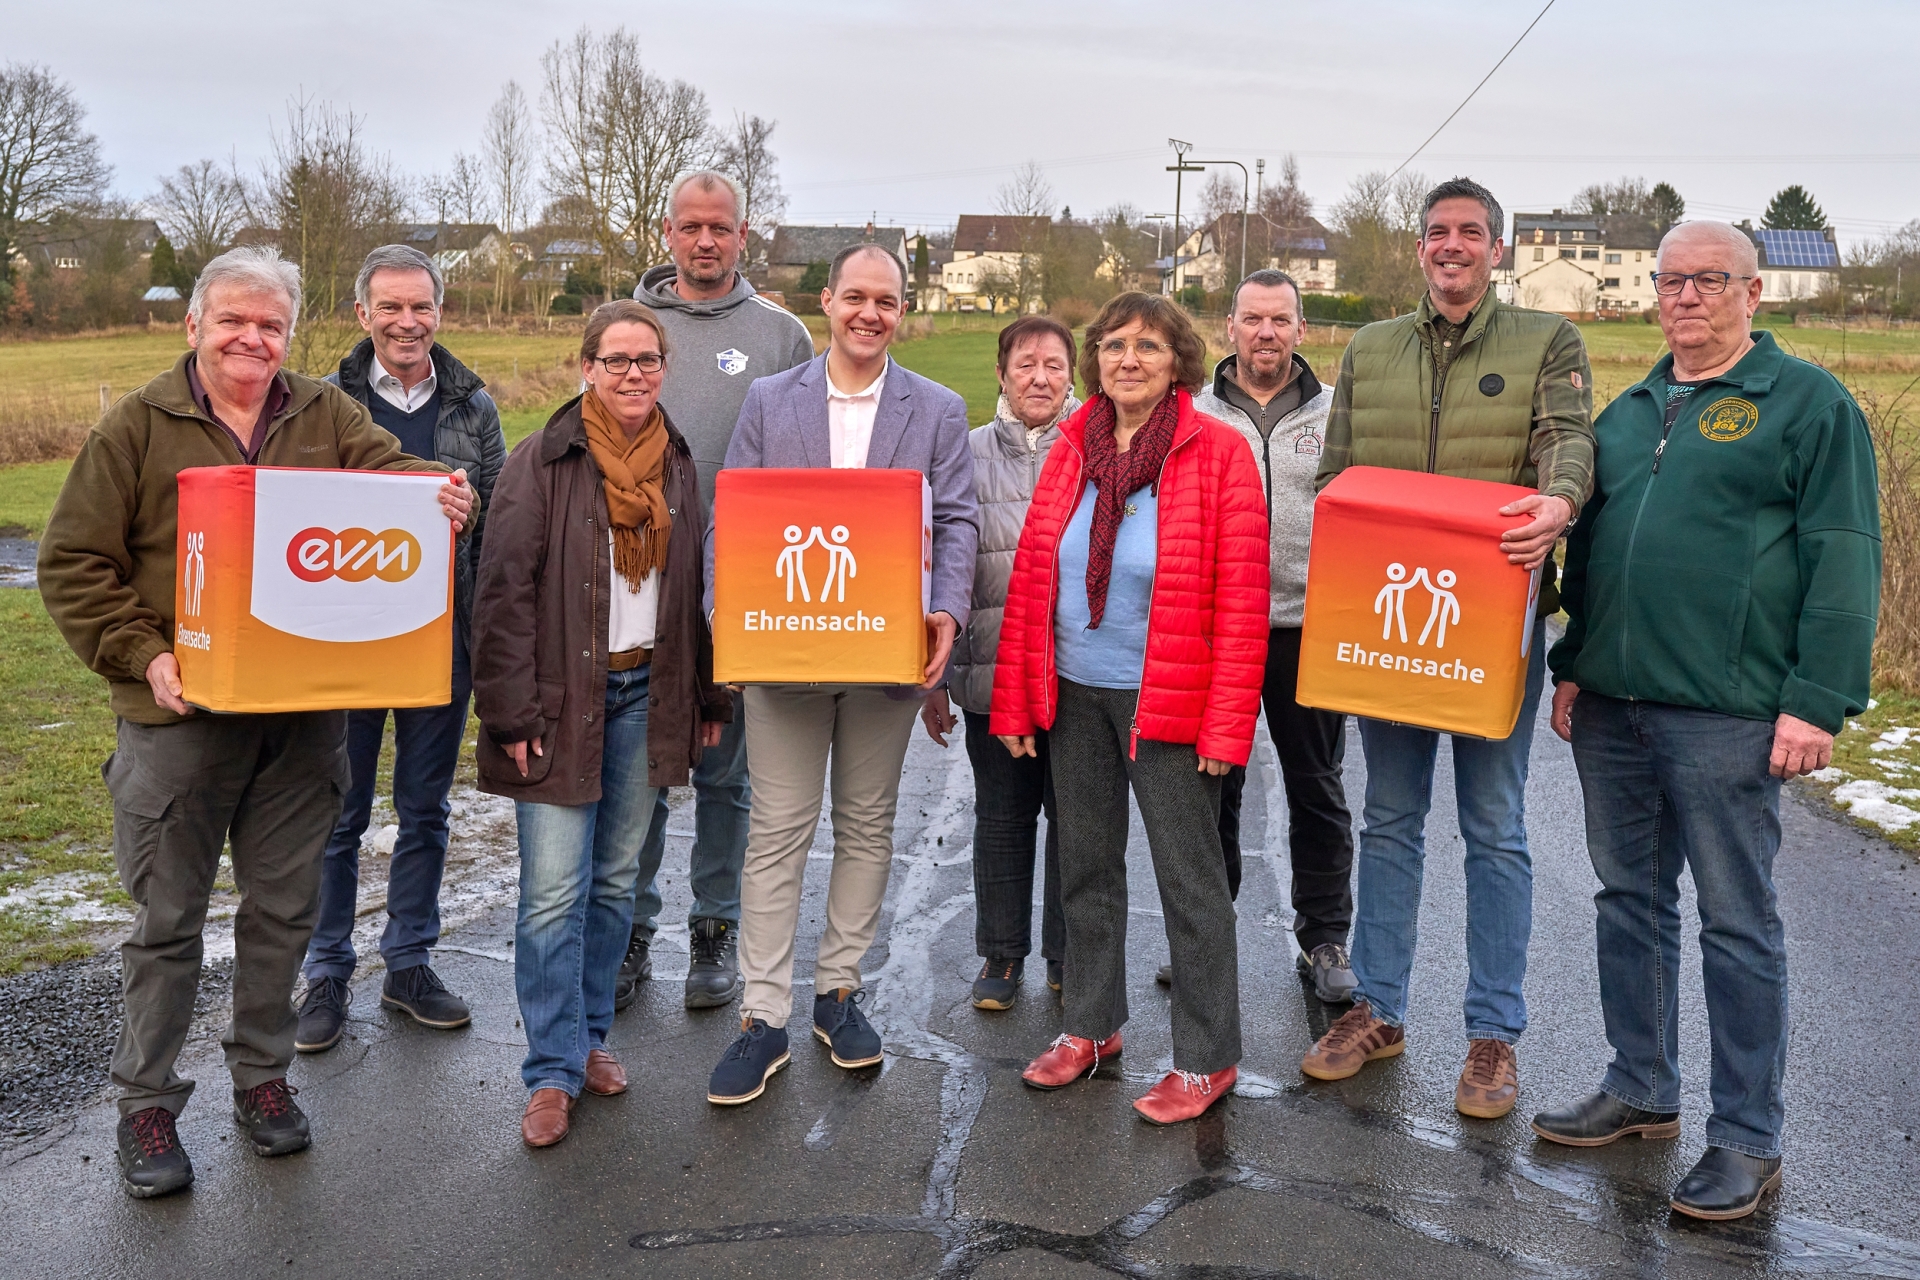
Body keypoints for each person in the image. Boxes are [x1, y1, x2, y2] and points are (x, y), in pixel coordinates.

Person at [36, 246, 474, 1199]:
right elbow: (72, 562)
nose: (252, 339)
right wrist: (144, 652)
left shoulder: (324, 413)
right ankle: (146, 1103)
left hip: (301, 717)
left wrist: (443, 493)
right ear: (193, 325)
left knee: (282, 911)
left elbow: (396, 478)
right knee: (166, 923)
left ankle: (263, 1081)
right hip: (178, 721)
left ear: (290, 334)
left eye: (270, 325)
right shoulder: (139, 427)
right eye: (233, 320)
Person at [1534, 222, 1881, 1220]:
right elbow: (1592, 551)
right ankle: (1641, 1084)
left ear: (1752, 290)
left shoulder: (1807, 404)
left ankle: (1747, 1138)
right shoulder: (1633, 408)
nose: (1685, 297)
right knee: (1628, 901)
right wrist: (1572, 663)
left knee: (1736, 921)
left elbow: (1845, 558)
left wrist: (1817, 698)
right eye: (1670, 281)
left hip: (1727, 712)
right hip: (1613, 706)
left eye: (1707, 280)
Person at [1301, 178, 1595, 1122]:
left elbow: (1568, 442)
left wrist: (1561, 503)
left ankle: (1492, 1034)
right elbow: (1336, 476)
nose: (1453, 246)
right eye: (1438, 233)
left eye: (1471, 233)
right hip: (1391, 631)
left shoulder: (1547, 341)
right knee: (1389, 818)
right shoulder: (1370, 347)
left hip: (1494, 628)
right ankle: (1377, 1010)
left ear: (1497, 249)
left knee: (1496, 828)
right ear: (1419, 247)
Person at [703, 243, 978, 1106]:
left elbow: (960, 523)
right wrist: (728, 617)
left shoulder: (936, 410)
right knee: (779, 827)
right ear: (827, 301)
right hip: (784, 653)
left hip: (885, 655)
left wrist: (948, 612)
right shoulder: (768, 400)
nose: (869, 313)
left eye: (886, 301)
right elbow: (730, 520)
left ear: (903, 310)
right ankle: (760, 1014)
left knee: (867, 824)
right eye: (855, 296)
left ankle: (839, 992)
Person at [992, 291, 1269, 1126]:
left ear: (1177, 359)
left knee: (1190, 884)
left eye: (1148, 346)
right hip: (1074, 690)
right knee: (1084, 868)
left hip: (1172, 698)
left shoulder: (1216, 452)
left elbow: (1242, 601)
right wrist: (1014, 702)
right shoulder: (1073, 445)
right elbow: (1033, 579)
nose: (1128, 360)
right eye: (1113, 346)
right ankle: (1090, 1026)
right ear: (1096, 361)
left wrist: (1227, 725)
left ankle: (1206, 1057)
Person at [473, 299, 729, 1147]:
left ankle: (585, 1040)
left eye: (646, 360)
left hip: (645, 699)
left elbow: (691, 593)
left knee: (617, 882)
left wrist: (708, 697)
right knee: (552, 895)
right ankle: (547, 1072)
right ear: (587, 368)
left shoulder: (680, 463)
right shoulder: (541, 462)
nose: (632, 374)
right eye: (615, 360)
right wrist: (509, 709)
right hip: (558, 704)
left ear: (664, 368)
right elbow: (502, 592)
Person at [295, 244, 506, 1053]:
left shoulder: (474, 408)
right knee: (338, 815)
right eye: (390, 307)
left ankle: (409, 962)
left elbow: (491, 533)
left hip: (438, 646)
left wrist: (484, 640)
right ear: (362, 315)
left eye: (420, 307)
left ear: (439, 312)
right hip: (343, 644)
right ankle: (326, 973)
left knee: (424, 811)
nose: (406, 322)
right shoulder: (319, 402)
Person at [623, 171, 816, 1011]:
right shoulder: (629, 328)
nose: (706, 241)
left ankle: (714, 929)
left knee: (730, 770)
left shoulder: (780, 335)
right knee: (643, 764)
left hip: (742, 577)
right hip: (640, 579)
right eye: (691, 227)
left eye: (721, 228)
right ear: (667, 233)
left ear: (744, 235)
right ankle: (631, 931)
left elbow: (807, 455)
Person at [1192, 268, 1357, 1004]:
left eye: (1280, 320)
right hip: (1214, 632)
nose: (1266, 333)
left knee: (1316, 789)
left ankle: (1323, 939)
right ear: (1229, 326)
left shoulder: (1335, 416)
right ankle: (1205, 934)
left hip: (1305, 629)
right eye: (1252, 319)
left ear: (1301, 329)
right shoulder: (1192, 414)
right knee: (1209, 788)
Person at [919, 315, 1079, 1010]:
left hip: (1080, 675)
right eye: (1025, 365)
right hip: (992, 672)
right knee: (1005, 818)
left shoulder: (1098, 450)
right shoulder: (965, 453)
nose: (1040, 378)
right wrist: (937, 674)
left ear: (1073, 373)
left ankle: (1070, 957)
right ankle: (1001, 954)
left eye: (1053, 364)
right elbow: (940, 563)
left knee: (1077, 823)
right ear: (1001, 374)